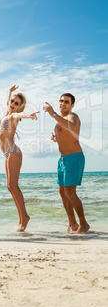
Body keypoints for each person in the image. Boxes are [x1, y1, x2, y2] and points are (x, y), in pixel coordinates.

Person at [43, 93, 90, 233]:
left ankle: (84, 224)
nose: (63, 103)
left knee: (70, 192)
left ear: (72, 105)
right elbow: (67, 136)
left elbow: (72, 127)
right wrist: (56, 139)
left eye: (66, 102)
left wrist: (53, 114)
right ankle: (72, 223)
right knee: (62, 192)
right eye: (61, 101)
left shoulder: (72, 116)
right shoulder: (61, 119)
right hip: (63, 159)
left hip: (74, 158)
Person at [0, 85, 39, 231]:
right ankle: (22, 218)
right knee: (10, 187)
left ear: (19, 107)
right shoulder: (5, 115)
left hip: (13, 152)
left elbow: (19, 115)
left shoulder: (13, 116)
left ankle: (25, 217)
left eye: (16, 103)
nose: (13, 104)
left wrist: (29, 115)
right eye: (12, 101)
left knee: (13, 186)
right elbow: (7, 102)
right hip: (7, 154)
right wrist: (9, 92)